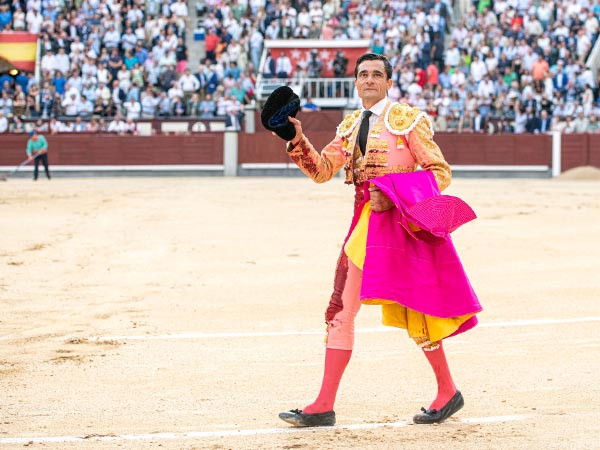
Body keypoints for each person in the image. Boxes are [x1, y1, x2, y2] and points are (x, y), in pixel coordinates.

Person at [273, 53, 482, 427]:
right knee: (341, 307)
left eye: (377, 75)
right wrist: (296, 138)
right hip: (362, 223)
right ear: (356, 83)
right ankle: (323, 404)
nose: (369, 80)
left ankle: (447, 389)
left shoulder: (407, 121)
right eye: (363, 74)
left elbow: (439, 172)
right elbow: (322, 172)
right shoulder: (350, 125)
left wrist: (394, 192)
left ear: (388, 82)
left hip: (399, 222)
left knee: (417, 307)